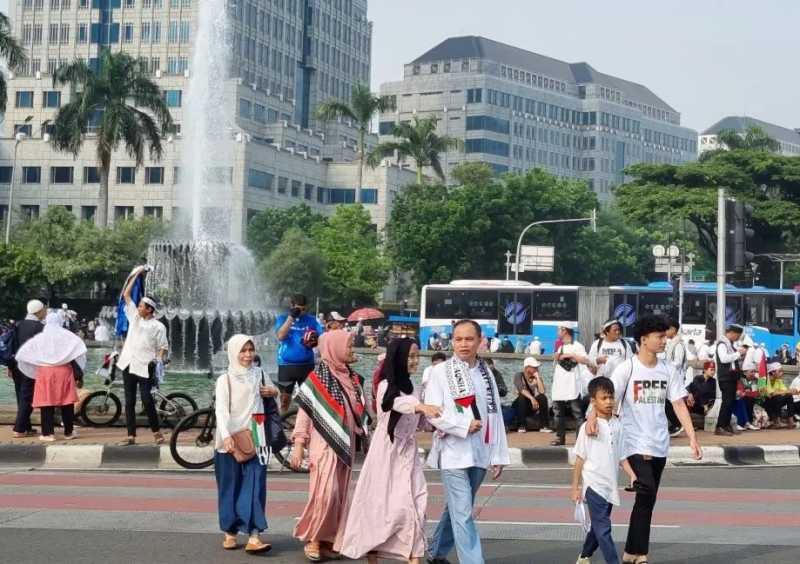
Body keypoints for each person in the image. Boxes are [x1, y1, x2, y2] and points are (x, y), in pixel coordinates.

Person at [587, 314, 702, 564]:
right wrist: (593, 417)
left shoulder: (668, 369)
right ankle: (636, 552)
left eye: (664, 337)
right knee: (646, 490)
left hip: (659, 442)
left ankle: (633, 552)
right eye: (659, 337)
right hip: (633, 442)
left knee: (647, 500)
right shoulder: (627, 368)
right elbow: (606, 395)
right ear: (643, 339)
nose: (664, 341)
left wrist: (692, 437)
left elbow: (679, 405)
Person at [340, 339, 442, 563]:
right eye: (411, 356)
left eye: (417, 356)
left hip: (408, 451)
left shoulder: (413, 386)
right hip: (387, 452)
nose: (415, 361)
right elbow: (393, 403)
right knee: (381, 504)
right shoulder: (387, 385)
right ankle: (373, 551)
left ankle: (413, 554)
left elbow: (419, 421)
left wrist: (439, 420)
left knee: (416, 499)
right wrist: (420, 406)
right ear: (398, 358)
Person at [425, 319, 510, 564]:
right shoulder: (440, 372)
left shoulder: (486, 374)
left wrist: (499, 455)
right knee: (463, 512)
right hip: (452, 451)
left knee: (457, 509)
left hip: (480, 452)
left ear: (480, 341)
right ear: (452, 341)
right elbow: (434, 412)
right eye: (458, 339)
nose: (463, 344)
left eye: (469, 339)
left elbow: (494, 416)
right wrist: (463, 425)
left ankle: (436, 551)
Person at [290, 329, 366, 562]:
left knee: (340, 494)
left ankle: (328, 540)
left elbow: (362, 412)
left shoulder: (353, 378)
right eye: (348, 345)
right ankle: (313, 538)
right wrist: (299, 444)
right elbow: (304, 415)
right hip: (323, 445)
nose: (352, 349)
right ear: (334, 348)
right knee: (325, 493)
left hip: (347, 445)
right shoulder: (316, 380)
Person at [214, 335, 275, 554]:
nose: (248, 355)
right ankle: (230, 531)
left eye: (250, 350)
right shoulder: (224, 380)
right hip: (229, 438)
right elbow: (220, 410)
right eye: (243, 350)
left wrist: (273, 391)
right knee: (229, 486)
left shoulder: (260, 374)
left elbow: (274, 392)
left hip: (258, 434)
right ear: (233, 352)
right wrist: (226, 435)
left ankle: (254, 536)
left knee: (256, 486)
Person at [571, 377, 637, 564]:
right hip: (593, 484)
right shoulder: (588, 427)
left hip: (610, 485)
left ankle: (584, 556)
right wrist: (575, 488)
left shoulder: (618, 425)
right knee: (603, 528)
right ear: (593, 401)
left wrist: (631, 474)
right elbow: (579, 459)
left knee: (598, 527)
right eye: (603, 398)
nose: (609, 402)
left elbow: (622, 456)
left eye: (611, 397)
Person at [116, 266, 169, 446]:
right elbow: (126, 295)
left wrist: (160, 361)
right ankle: (131, 436)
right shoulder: (134, 318)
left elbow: (163, 347)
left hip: (146, 366)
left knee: (147, 401)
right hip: (128, 364)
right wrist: (137, 274)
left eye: (141, 306)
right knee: (129, 401)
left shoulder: (158, 327)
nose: (138, 307)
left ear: (149, 309)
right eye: (138, 305)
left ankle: (157, 433)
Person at [14, 311, 87, 441]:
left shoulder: (40, 338)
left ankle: (48, 434)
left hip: (45, 372)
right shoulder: (67, 337)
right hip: (64, 371)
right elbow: (79, 349)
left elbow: (23, 354)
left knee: (46, 403)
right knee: (66, 403)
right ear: (60, 322)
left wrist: (35, 366)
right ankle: (68, 432)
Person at [274, 294, 324, 413]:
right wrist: (291, 317)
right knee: (284, 399)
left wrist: (315, 340)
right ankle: (283, 422)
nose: (301, 312)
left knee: (308, 398)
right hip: (286, 365)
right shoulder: (282, 318)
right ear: (291, 306)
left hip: (306, 365)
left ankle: (305, 423)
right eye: (297, 309)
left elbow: (321, 339)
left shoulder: (311, 320)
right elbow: (280, 336)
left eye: (303, 309)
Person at [9, 299, 46, 438]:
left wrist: (10, 367)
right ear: (39, 311)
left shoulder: (18, 325)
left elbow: (13, 346)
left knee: (21, 397)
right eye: (44, 309)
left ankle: (26, 426)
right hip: (30, 368)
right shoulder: (40, 328)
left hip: (16, 365)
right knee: (28, 397)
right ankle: (19, 428)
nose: (45, 312)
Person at [551, 324, 589, 446]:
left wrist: (571, 355)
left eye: (559, 329)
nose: (557, 332)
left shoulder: (577, 346)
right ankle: (560, 438)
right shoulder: (560, 346)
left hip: (572, 384)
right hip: (559, 385)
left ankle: (580, 440)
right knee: (558, 413)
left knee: (577, 413)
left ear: (564, 330)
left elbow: (585, 360)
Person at [714, 324, 746, 436]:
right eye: (737, 336)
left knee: (730, 402)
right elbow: (724, 359)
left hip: (731, 377)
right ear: (731, 333)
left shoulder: (730, 345)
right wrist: (738, 354)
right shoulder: (722, 344)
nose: (737, 338)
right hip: (725, 377)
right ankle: (720, 426)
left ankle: (726, 425)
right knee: (726, 402)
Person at [512, 357, 551, 433]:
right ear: (527, 368)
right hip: (520, 405)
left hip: (531, 406)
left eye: (537, 367)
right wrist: (532, 398)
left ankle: (544, 425)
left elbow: (542, 391)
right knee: (522, 396)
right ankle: (521, 425)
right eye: (534, 367)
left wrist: (538, 378)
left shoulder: (536, 378)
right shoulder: (519, 375)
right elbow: (521, 389)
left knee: (542, 397)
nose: (537, 369)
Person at [762, 362, 796, 429]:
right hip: (765, 403)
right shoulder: (765, 379)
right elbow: (771, 394)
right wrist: (784, 392)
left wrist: (791, 391)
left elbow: (785, 391)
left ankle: (790, 421)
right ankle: (777, 421)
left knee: (789, 396)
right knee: (777, 397)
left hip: (775, 401)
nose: (782, 373)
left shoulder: (778, 380)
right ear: (773, 372)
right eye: (780, 371)